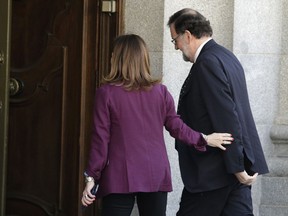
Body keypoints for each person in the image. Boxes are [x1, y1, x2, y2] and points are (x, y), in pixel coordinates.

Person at [80, 34, 233, 216]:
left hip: (119, 176)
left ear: (118, 59)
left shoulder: (106, 93)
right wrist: (204, 139)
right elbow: (176, 126)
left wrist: (92, 177)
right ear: (143, 58)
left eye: (113, 54)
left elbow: (100, 139)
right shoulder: (160, 92)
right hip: (155, 173)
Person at [167, 8, 269, 216]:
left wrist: (237, 167)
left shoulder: (207, 63)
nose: (176, 47)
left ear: (187, 35)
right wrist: (241, 165)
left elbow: (227, 116)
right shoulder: (226, 56)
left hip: (214, 174)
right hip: (230, 172)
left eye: (174, 40)